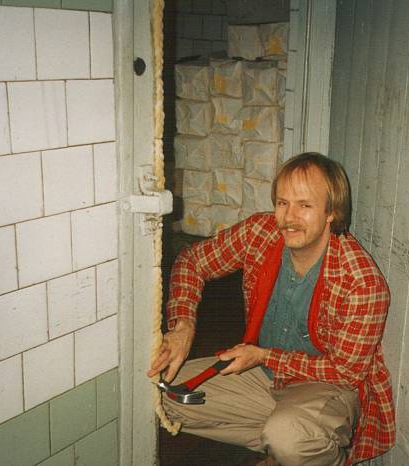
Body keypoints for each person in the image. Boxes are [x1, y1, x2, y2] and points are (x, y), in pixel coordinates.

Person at [147, 152, 395, 465]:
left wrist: (265, 355)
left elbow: (345, 373)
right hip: (263, 374)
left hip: (326, 387)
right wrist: (182, 326)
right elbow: (192, 260)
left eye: (305, 205)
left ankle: (295, 445)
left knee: (289, 436)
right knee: (157, 394)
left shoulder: (362, 282)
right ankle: (282, 448)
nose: (289, 218)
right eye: (282, 202)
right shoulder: (260, 232)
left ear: (331, 211)